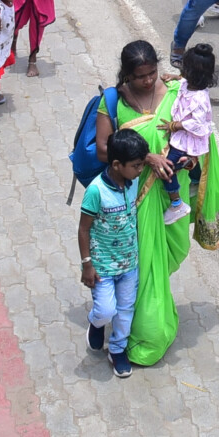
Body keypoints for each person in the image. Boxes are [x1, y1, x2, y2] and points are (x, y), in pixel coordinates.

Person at [89, 40, 219, 367]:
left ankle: (115, 316)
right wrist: (147, 157)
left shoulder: (177, 90)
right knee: (144, 269)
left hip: (173, 198)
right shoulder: (112, 102)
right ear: (127, 75)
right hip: (134, 203)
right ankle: (138, 334)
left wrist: (189, 162)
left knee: (171, 252)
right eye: (140, 76)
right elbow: (103, 150)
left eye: (152, 73)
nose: (147, 80)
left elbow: (198, 135)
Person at [80, 128, 151, 378]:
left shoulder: (133, 182)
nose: (140, 170)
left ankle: (118, 349)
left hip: (130, 264)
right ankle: (96, 322)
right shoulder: (96, 191)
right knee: (105, 311)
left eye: (142, 164)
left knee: (125, 311)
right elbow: (83, 229)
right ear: (117, 165)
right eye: (136, 165)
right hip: (102, 268)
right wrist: (87, 265)